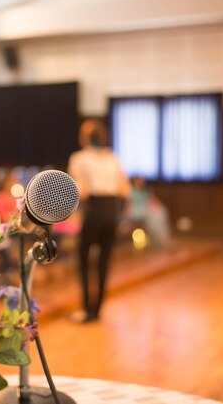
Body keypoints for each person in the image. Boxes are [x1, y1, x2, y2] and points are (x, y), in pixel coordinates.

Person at [67, 119, 130, 323]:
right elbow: (124, 189)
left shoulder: (79, 158)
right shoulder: (112, 158)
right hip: (112, 210)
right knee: (104, 261)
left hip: (94, 209)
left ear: (84, 137)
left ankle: (87, 309)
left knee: (84, 260)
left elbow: (80, 191)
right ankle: (98, 309)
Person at [128, 176, 172, 248]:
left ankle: (163, 237)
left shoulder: (146, 190)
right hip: (137, 210)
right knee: (153, 216)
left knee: (161, 213)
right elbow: (129, 203)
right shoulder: (131, 190)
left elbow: (154, 200)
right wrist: (126, 214)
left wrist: (161, 207)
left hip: (147, 209)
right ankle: (159, 237)